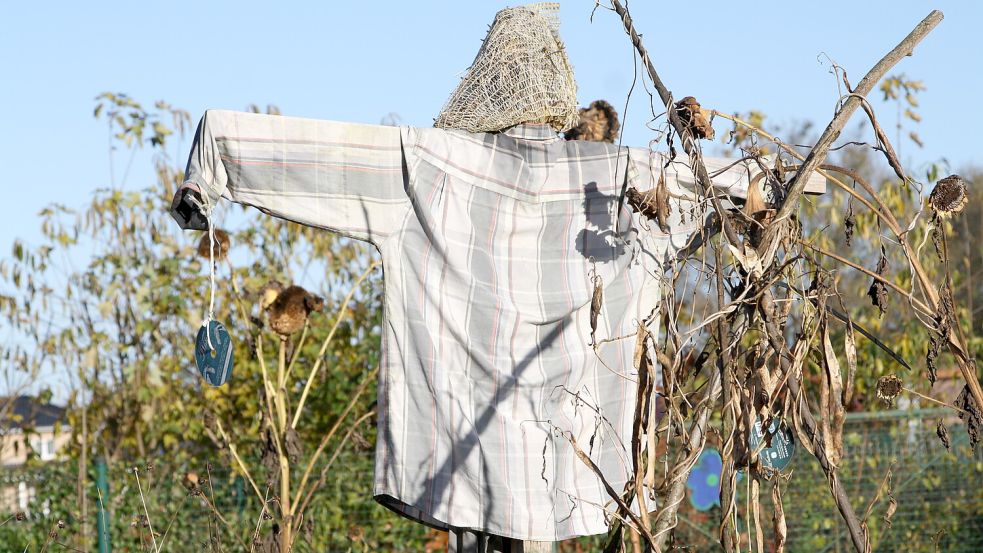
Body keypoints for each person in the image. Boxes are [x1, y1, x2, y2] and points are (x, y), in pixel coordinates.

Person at [170, 4, 820, 551]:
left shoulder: (426, 164)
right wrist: (794, 180)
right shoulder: (622, 175)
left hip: (457, 447)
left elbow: (315, 155)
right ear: (558, 94)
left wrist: (211, 163)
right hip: (580, 449)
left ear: (482, 90)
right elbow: (764, 184)